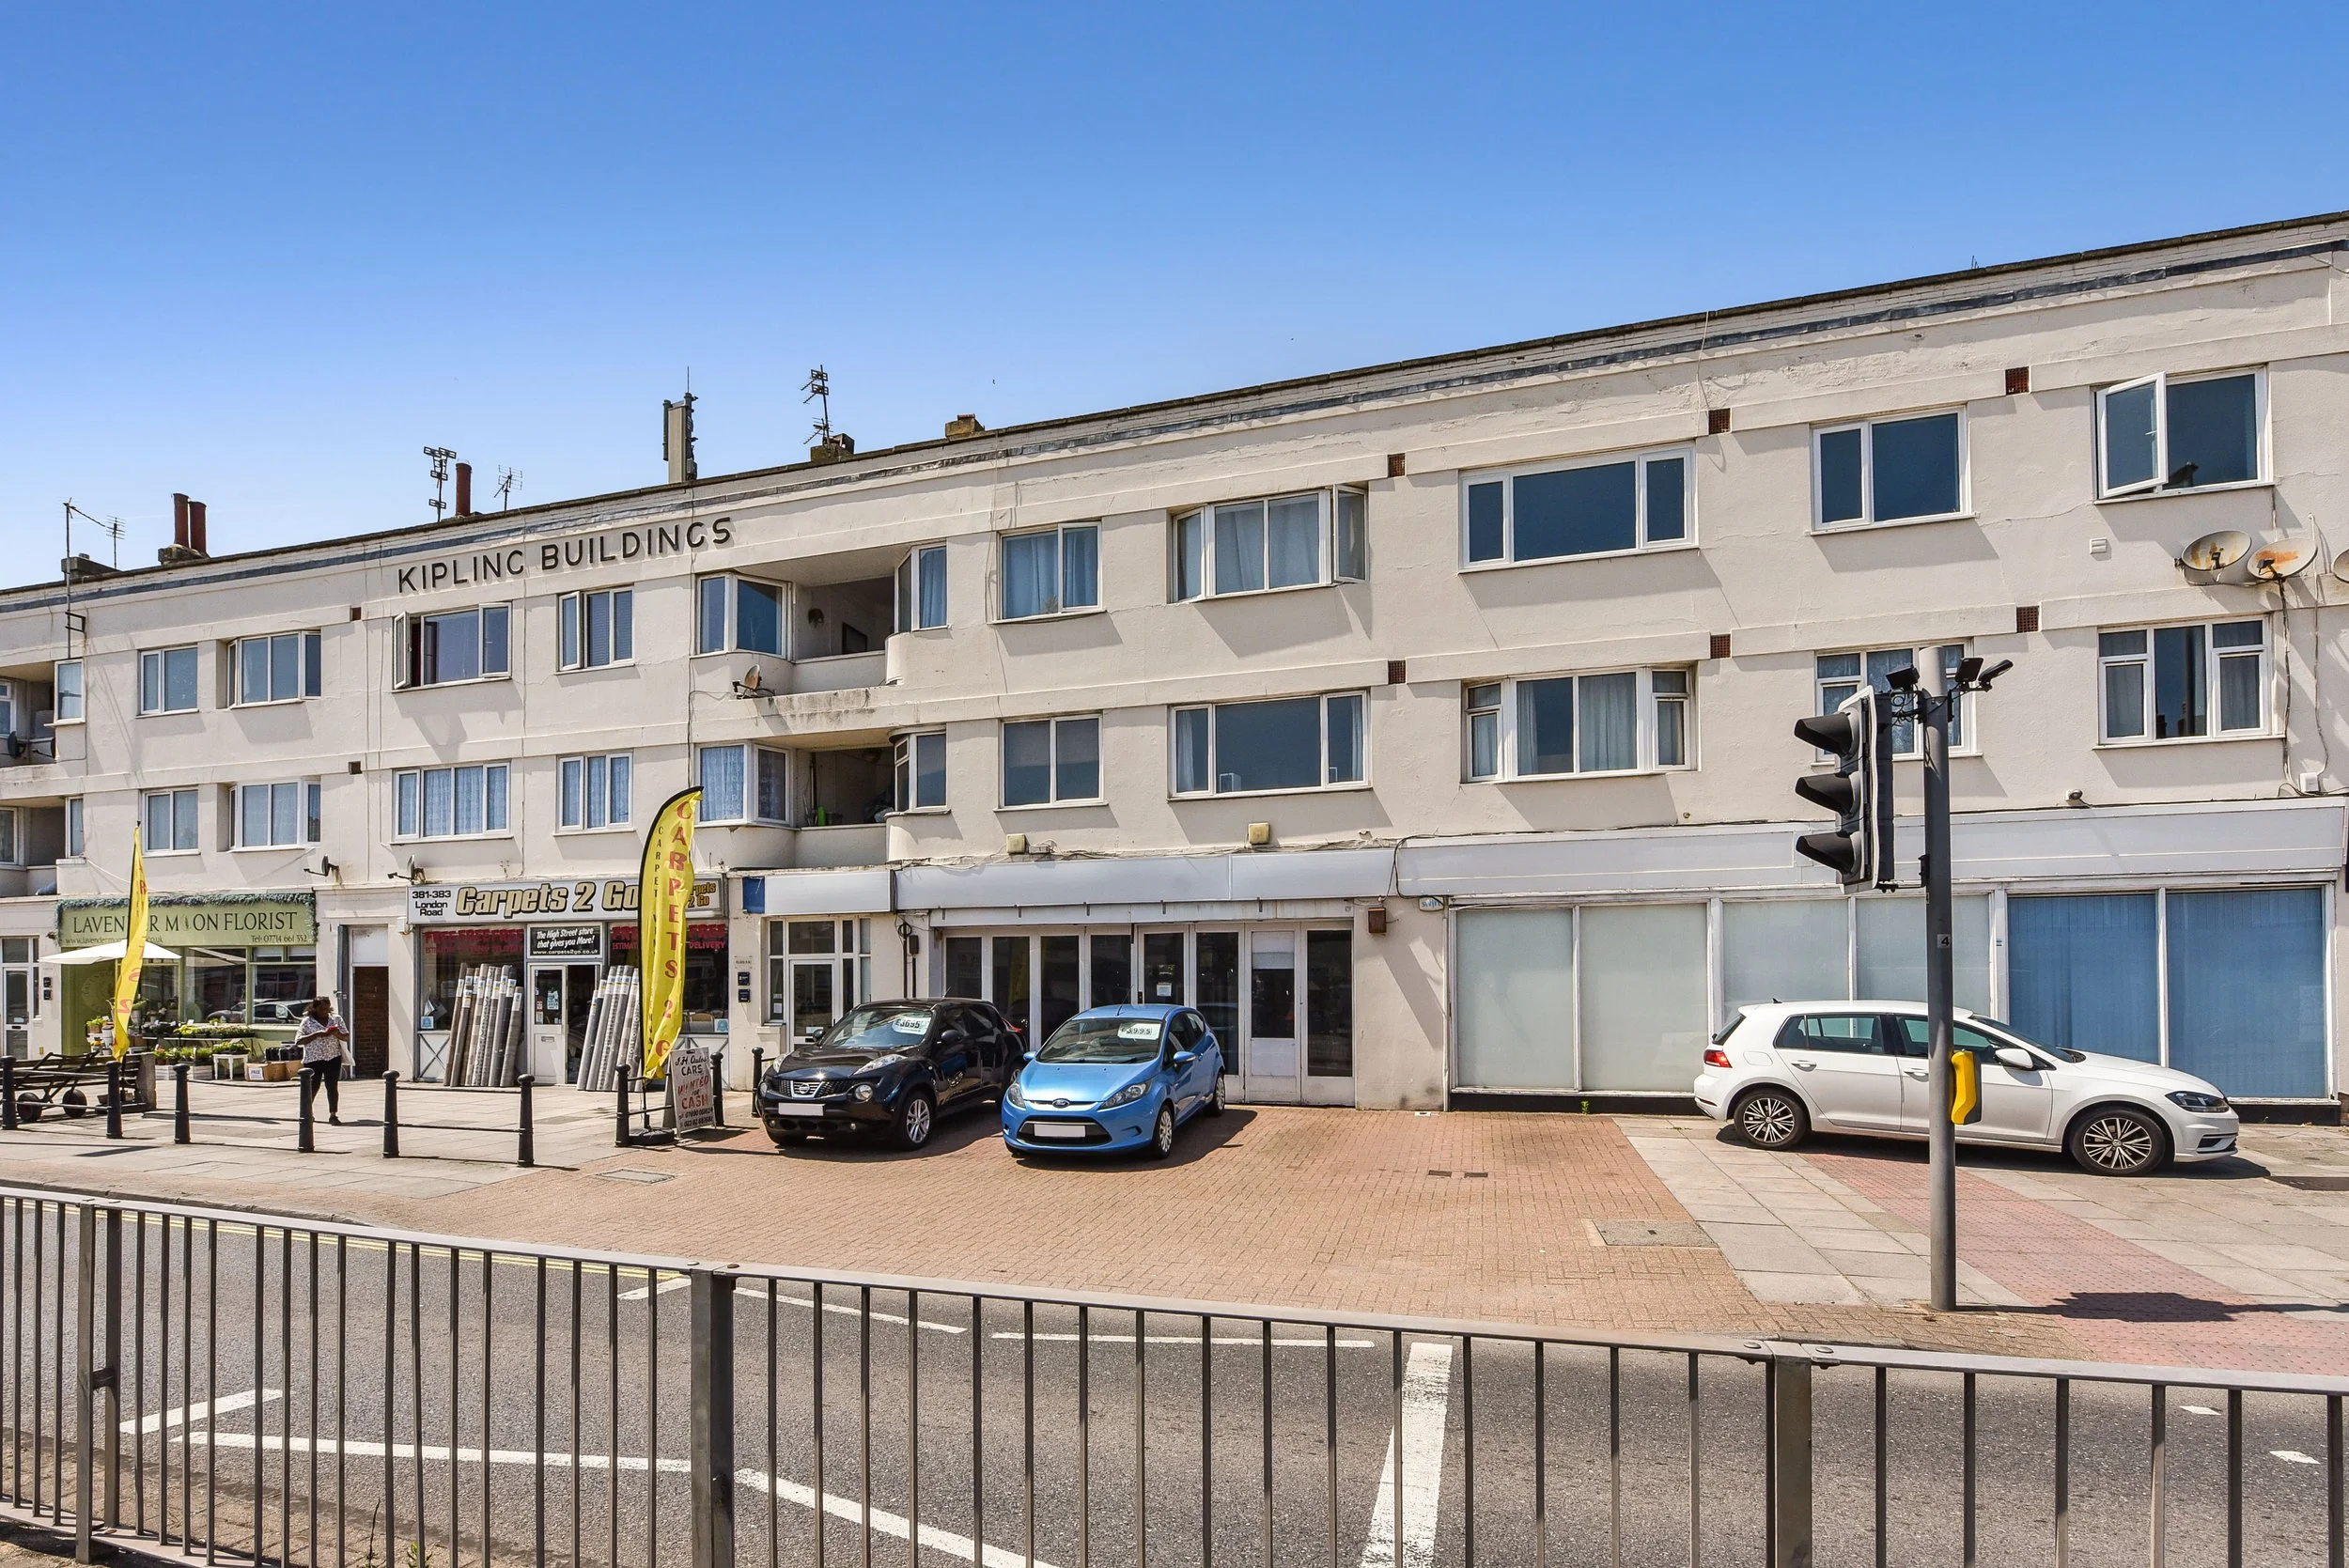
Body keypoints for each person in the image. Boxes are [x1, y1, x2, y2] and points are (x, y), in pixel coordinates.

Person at [295, 996, 350, 1125]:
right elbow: (298, 1041)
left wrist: (336, 1033)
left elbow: (346, 1036)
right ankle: (307, 1113)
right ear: (314, 1008)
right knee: (313, 1086)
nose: (325, 1011)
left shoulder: (336, 1019)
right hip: (313, 1059)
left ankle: (333, 1114)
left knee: (332, 1086)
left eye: (327, 1008)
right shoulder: (307, 1021)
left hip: (332, 1057)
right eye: (321, 1009)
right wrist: (317, 1034)